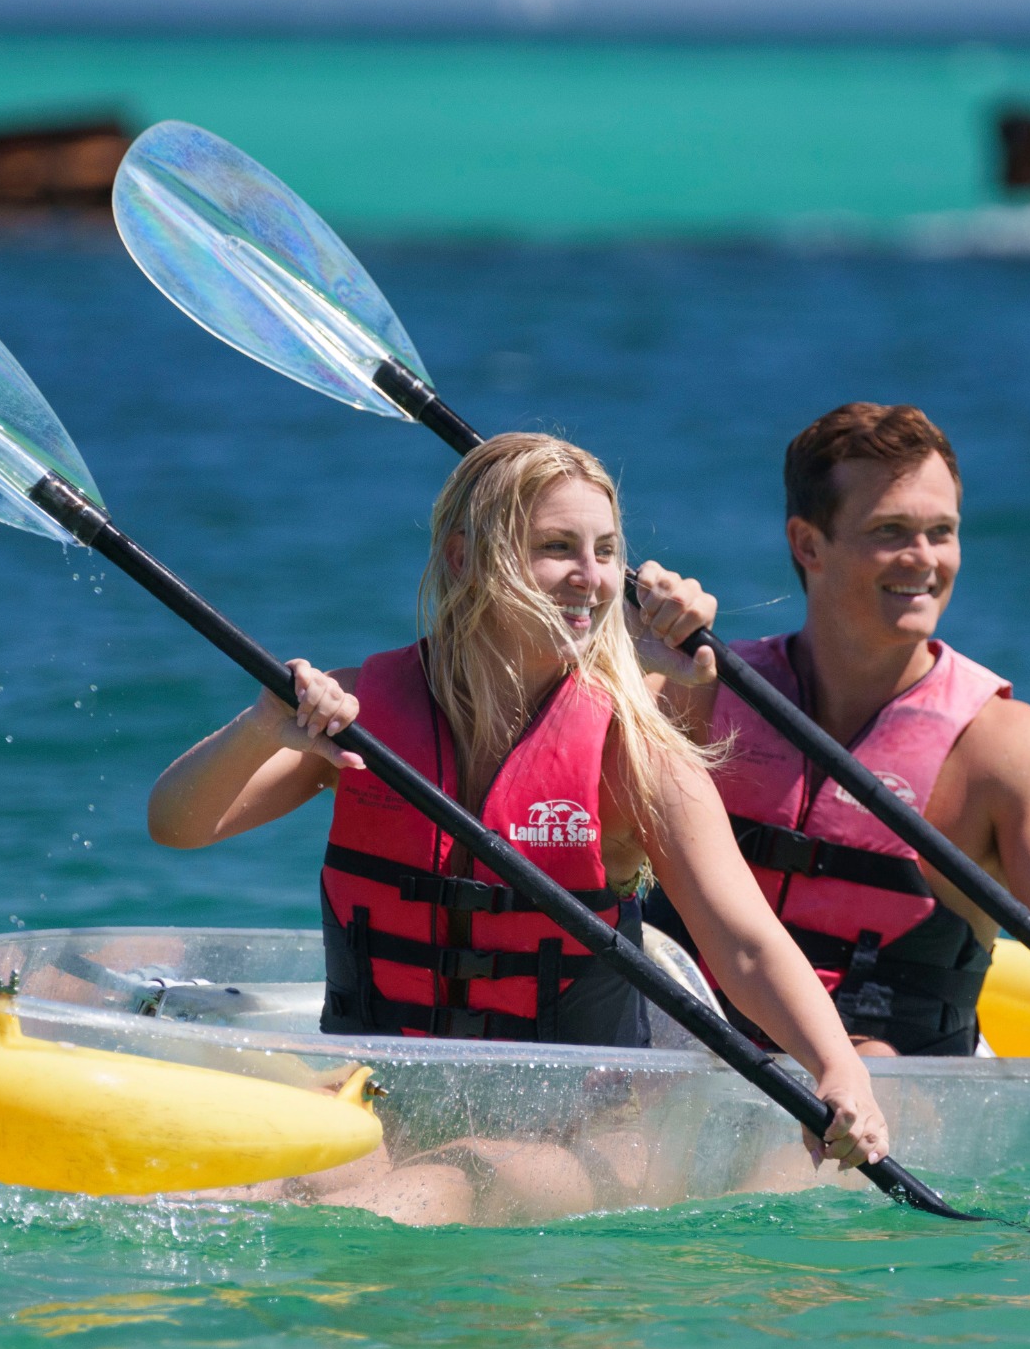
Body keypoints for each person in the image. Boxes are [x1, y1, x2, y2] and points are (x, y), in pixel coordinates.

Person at [146, 432, 891, 1221]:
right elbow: (178, 824)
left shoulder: (628, 744)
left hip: (587, 1137)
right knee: (266, 1181)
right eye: (556, 548)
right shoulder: (366, 709)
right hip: (391, 1100)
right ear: (466, 559)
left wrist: (838, 1070)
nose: (593, 578)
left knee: (449, 1179)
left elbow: (742, 940)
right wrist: (264, 724)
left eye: (606, 551)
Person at [635, 402, 1030, 1061]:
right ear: (808, 544)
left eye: (942, 531)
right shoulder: (698, 691)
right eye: (891, 530)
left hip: (892, 1087)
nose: (924, 560)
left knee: (873, 1063)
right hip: (686, 1049)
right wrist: (633, 651)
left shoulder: (998, 748)